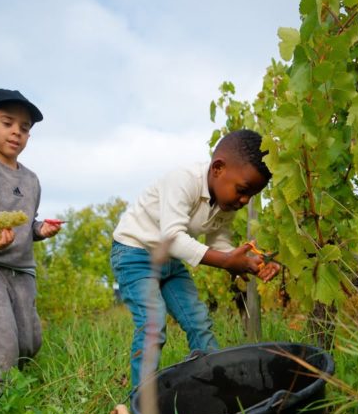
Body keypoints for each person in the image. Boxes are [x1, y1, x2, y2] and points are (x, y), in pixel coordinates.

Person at [111, 129, 280, 391]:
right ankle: (142, 400)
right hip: (135, 253)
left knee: (198, 320)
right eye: (242, 190)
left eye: (252, 195)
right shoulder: (183, 180)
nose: (245, 200)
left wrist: (248, 262)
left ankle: (217, 388)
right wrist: (227, 262)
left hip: (170, 260)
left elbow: (220, 244)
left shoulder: (226, 203)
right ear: (218, 168)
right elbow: (172, 237)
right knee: (153, 324)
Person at [0, 88, 62, 380]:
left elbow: (28, 223)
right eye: (7, 123)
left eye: (25, 128)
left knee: (29, 342)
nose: (16, 132)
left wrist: (40, 229)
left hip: (22, 271)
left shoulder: (31, 180)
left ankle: (16, 385)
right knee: (0, 342)